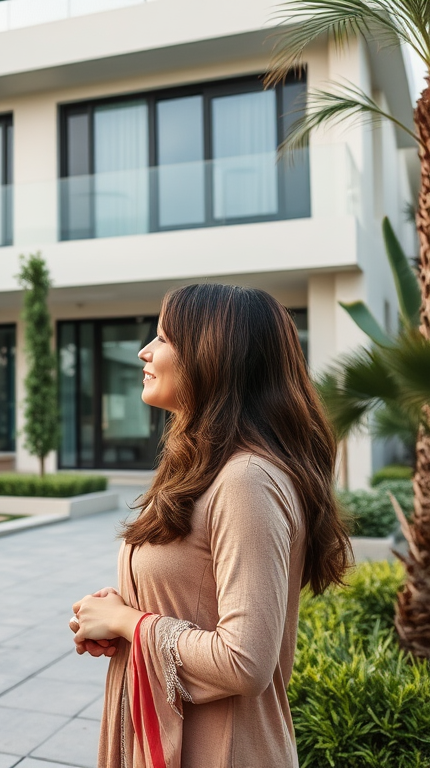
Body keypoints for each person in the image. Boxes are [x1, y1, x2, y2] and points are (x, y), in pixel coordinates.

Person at [69, 283, 351, 768]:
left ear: (211, 355)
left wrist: (126, 622)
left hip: (222, 750)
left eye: (163, 338)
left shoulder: (247, 481)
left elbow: (245, 662)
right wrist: (122, 613)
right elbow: (194, 600)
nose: (145, 350)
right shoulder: (207, 465)